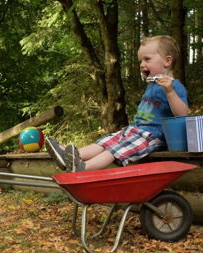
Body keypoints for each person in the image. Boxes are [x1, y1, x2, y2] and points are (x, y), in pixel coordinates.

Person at [46, 35, 189, 172]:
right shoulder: (153, 84)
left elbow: (182, 113)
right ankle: (68, 155)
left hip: (153, 136)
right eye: (140, 60)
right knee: (106, 141)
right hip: (135, 130)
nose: (141, 64)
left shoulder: (174, 86)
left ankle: (83, 167)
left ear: (167, 61)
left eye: (147, 59)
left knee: (115, 149)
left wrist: (170, 92)